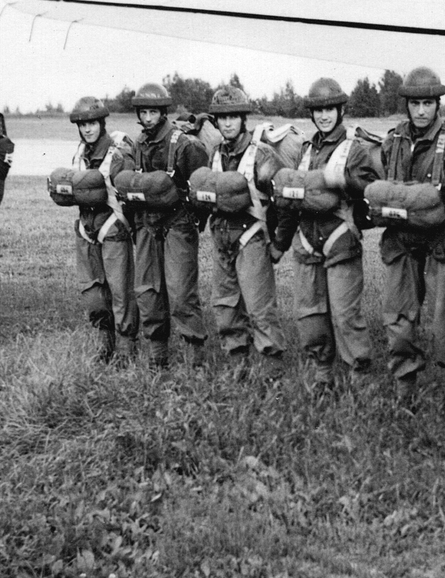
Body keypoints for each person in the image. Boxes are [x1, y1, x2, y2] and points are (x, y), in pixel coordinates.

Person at [379, 66, 445, 409]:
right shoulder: (393, 142)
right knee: (398, 318)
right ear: (406, 105)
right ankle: (405, 390)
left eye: (428, 103)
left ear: (438, 104)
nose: (421, 111)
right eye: (415, 104)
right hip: (402, 242)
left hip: (443, 242)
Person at [271, 77, 380, 391]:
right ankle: (323, 375)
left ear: (340, 110)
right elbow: (292, 199)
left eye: (329, 109)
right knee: (310, 315)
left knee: (345, 315)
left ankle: (360, 379)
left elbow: (371, 191)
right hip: (306, 241)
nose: (323, 116)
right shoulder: (305, 150)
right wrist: (280, 242)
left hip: (340, 240)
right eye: (318, 110)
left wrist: (343, 181)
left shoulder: (354, 149)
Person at [122, 82, 208, 368]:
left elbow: (201, 187)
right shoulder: (137, 145)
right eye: (143, 112)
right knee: (148, 292)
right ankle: (157, 356)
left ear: (163, 112)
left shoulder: (184, 145)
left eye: (153, 112)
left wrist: (194, 221)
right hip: (146, 223)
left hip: (178, 223)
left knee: (181, 292)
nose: (148, 118)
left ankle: (195, 359)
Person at [206, 86, 286, 373]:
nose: (227, 123)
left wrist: (278, 243)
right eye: (222, 118)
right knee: (225, 306)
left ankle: (272, 371)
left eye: (233, 117)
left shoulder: (262, 155)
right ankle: (237, 364)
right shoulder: (215, 154)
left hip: (252, 238)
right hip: (222, 240)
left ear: (243, 119)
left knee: (259, 308)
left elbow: (283, 202)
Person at [68, 95, 139, 362]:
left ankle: (126, 348)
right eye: (82, 124)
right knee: (93, 293)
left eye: (92, 123)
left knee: (120, 291)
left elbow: (130, 196)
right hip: (86, 229)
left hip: (113, 228)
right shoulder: (79, 153)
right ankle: (105, 344)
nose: (87, 129)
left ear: (102, 123)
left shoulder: (118, 155)